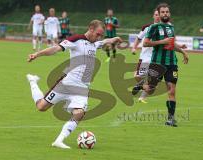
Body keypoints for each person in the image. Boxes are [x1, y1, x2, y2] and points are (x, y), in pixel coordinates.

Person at [26, 20, 122, 149]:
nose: (99, 37)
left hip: (82, 88)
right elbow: (55, 48)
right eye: (98, 34)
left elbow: (104, 42)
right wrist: (37, 54)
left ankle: (59, 140)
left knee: (79, 113)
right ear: (91, 29)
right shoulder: (76, 40)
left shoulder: (95, 43)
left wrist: (114, 39)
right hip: (66, 84)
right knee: (41, 107)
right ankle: (33, 82)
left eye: (101, 35)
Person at [140, 3, 188, 127]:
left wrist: (183, 52)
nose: (165, 14)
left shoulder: (171, 28)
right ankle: (142, 84)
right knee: (150, 90)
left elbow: (172, 44)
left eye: (167, 12)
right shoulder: (154, 28)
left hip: (172, 64)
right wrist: (162, 41)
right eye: (163, 12)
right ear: (159, 14)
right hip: (157, 63)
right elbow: (145, 43)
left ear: (169, 13)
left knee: (171, 91)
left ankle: (171, 119)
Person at [131, 9, 160, 103]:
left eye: (159, 15)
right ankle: (140, 85)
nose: (157, 16)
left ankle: (142, 97)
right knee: (137, 76)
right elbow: (138, 38)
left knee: (153, 82)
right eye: (156, 14)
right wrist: (134, 48)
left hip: (156, 59)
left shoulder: (164, 28)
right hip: (144, 58)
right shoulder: (147, 27)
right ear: (153, 16)